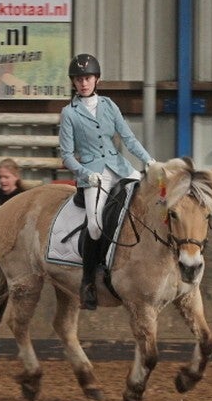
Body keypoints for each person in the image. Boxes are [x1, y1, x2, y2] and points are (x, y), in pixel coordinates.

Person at [59, 53, 155, 310]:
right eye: (79, 79)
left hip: (119, 166)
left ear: (97, 80)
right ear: (74, 82)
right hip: (93, 174)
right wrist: (84, 174)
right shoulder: (69, 113)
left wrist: (148, 161)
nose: (83, 83)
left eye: (88, 78)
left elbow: (128, 138)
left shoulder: (109, 105)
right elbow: (66, 155)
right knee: (94, 226)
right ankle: (88, 281)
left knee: (148, 202)